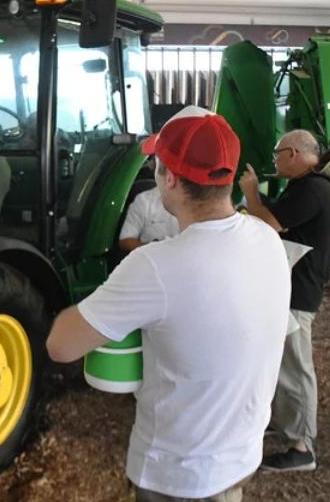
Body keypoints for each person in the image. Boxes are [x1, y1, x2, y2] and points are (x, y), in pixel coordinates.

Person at [47, 106, 291, 501]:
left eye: (158, 165)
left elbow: (61, 345)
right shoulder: (266, 239)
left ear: (170, 179)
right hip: (239, 460)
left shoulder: (155, 266)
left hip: (178, 476)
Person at [239, 129, 330, 472]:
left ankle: (302, 447)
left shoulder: (313, 188)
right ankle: (285, 423)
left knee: (296, 366)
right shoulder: (309, 185)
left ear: (293, 153)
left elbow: (269, 223)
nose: (275, 160)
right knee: (282, 362)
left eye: (278, 153)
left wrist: (252, 195)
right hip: (291, 286)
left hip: (299, 290)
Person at [118, 183, 180, 252]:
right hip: (150, 258)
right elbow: (125, 240)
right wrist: (154, 251)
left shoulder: (193, 202)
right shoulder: (144, 200)